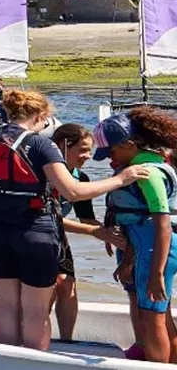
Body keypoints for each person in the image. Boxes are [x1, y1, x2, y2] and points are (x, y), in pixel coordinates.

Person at [0, 90, 150, 351]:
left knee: (6, 303)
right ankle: (35, 362)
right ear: (40, 117)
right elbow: (72, 191)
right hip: (33, 235)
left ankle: (7, 361)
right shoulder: (42, 145)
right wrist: (121, 179)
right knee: (35, 310)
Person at [97, 109, 177, 362]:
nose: (110, 159)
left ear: (128, 145)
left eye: (111, 152)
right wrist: (128, 259)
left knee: (153, 317)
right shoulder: (133, 168)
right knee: (157, 315)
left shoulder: (149, 173)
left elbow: (162, 224)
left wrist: (156, 274)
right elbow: (136, 219)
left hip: (156, 251)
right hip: (141, 247)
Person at [49, 123, 124, 343]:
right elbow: (51, 219)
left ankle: (66, 341)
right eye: (83, 150)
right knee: (51, 286)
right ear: (62, 146)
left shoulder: (81, 178)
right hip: (33, 233)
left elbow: (86, 219)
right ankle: (34, 338)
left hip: (56, 237)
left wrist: (111, 234)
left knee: (68, 284)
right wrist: (94, 231)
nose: (88, 156)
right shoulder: (46, 173)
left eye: (90, 150)